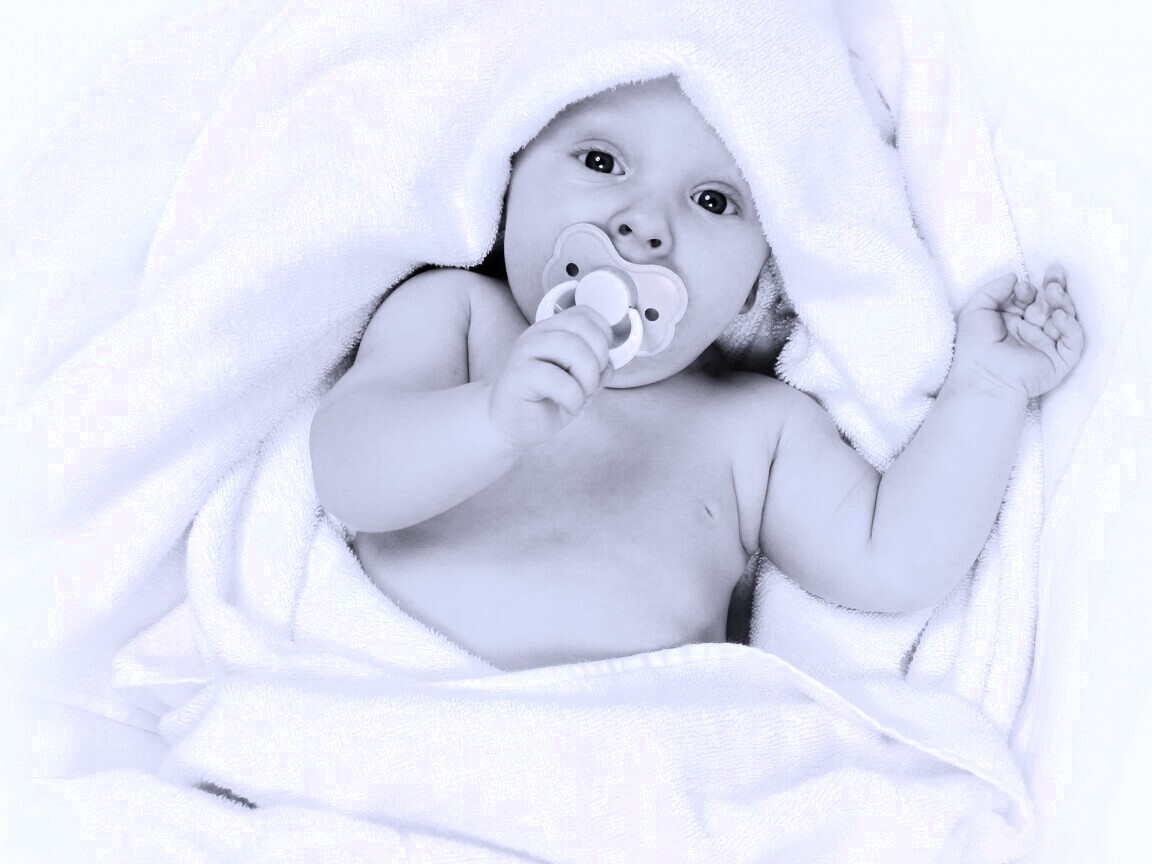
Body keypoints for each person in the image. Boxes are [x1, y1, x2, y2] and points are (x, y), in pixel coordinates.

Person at [309, 77, 1084, 671]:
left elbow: (893, 561)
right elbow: (348, 474)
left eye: (713, 200)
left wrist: (987, 388)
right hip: (404, 700)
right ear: (509, 178)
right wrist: (488, 420)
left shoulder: (755, 429)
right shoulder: (460, 318)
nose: (644, 224)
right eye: (601, 161)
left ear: (758, 284)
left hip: (629, 764)